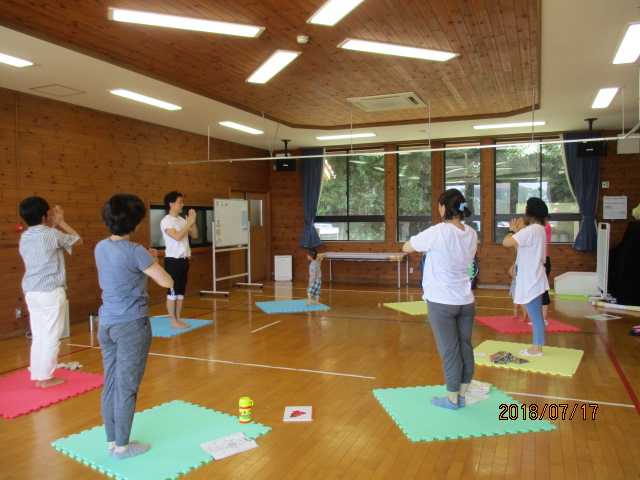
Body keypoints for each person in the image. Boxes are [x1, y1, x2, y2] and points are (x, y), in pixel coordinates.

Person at [95, 194, 174, 460]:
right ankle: (122, 448)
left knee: (111, 383)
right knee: (126, 387)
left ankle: (113, 441)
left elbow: (122, 272)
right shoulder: (135, 250)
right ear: (135, 222)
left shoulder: (100, 247)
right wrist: (153, 261)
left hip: (106, 323)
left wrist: (144, 262)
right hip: (131, 324)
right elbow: (167, 282)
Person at [402, 189, 478, 410]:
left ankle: (452, 400)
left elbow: (407, 247)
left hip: (441, 301)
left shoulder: (439, 231)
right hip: (465, 300)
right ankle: (461, 395)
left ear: (444, 208)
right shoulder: (471, 233)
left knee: (450, 352)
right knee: (465, 348)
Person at [18, 197, 82, 388]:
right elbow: (78, 240)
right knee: (52, 336)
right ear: (44, 215)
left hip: (31, 291)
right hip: (50, 291)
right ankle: (46, 378)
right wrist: (62, 223)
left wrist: (55, 226)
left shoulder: (25, 236)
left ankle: (39, 375)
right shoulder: (52, 234)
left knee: (39, 335)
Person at [502, 197, 550, 356]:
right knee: (536, 315)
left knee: (535, 315)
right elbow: (520, 248)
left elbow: (506, 243)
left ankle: (537, 348)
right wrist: (519, 232)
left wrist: (512, 231)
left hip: (531, 278)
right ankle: (537, 346)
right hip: (534, 276)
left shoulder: (531, 231)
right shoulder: (539, 229)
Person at [160, 191, 198, 329]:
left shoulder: (182, 220)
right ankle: (172, 320)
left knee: (181, 292)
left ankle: (178, 319)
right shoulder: (166, 221)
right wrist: (188, 224)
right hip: (172, 260)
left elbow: (194, 235)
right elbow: (176, 236)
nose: (182, 204)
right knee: (173, 292)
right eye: (179, 202)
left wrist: (192, 223)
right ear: (171, 204)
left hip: (184, 259)